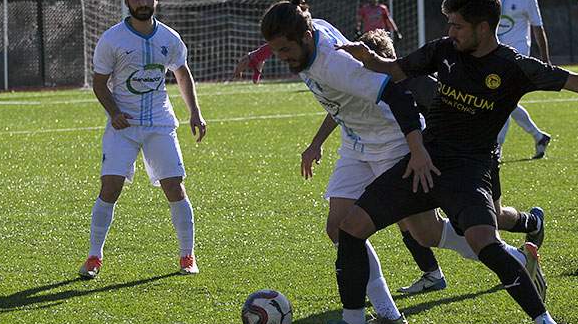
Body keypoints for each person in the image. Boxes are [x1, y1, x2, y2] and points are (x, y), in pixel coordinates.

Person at [330, 0, 578, 324]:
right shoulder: (443, 50)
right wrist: (368, 59)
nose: (450, 32)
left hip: (469, 171)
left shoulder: (514, 67)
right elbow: (395, 70)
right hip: (425, 163)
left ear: (483, 27)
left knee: (484, 242)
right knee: (350, 229)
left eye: (457, 26)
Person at [231, 28, 547, 298]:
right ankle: (405, 294)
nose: (365, 70)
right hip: (363, 151)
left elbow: (445, 115)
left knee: (447, 228)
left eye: (374, 65)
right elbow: (339, 107)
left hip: (419, 152)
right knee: (355, 227)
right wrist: (315, 142)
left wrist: (430, 152)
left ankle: (517, 248)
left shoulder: (415, 84)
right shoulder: (348, 70)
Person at [79, 0, 207, 279]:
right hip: (123, 127)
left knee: (175, 187)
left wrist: (195, 112)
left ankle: (187, 256)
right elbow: (99, 84)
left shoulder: (169, 37)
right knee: (110, 187)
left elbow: (181, 74)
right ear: (126, 1)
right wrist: (114, 112)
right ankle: (94, 257)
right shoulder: (112, 39)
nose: (143, 1)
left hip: (160, 124)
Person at [496, 0, 552, 159]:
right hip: (495, 55)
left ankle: (497, 149)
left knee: (503, 100)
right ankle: (538, 136)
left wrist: (545, 60)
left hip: (518, 56)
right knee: (506, 101)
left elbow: (538, 29)